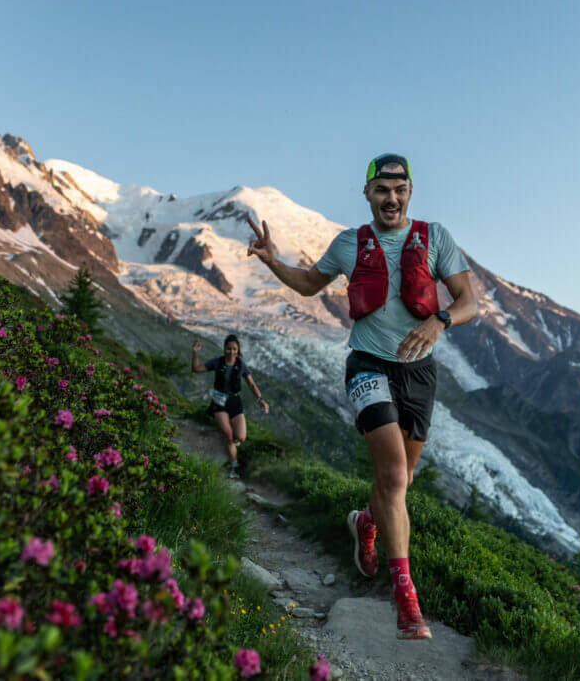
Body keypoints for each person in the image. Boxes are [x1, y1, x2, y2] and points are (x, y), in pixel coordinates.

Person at [246, 153, 477, 640]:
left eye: (399, 190)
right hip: (367, 367)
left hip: (418, 373)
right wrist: (272, 262)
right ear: (367, 193)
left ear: (410, 192)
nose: (390, 198)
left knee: (401, 481)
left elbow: (468, 300)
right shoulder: (349, 244)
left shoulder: (436, 239)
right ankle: (405, 598)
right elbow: (310, 285)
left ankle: (366, 523)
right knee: (393, 474)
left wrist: (440, 320)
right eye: (381, 190)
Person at [191, 335, 269, 478]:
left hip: (235, 401)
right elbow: (195, 369)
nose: (231, 352)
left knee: (241, 437)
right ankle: (234, 466)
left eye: (234, 349)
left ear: (238, 350)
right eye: (228, 348)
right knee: (228, 435)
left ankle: (230, 444)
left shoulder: (241, 364)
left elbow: (251, 384)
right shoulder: (217, 362)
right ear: (224, 348)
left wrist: (260, 400)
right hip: (219, 402)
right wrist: (195, 352)